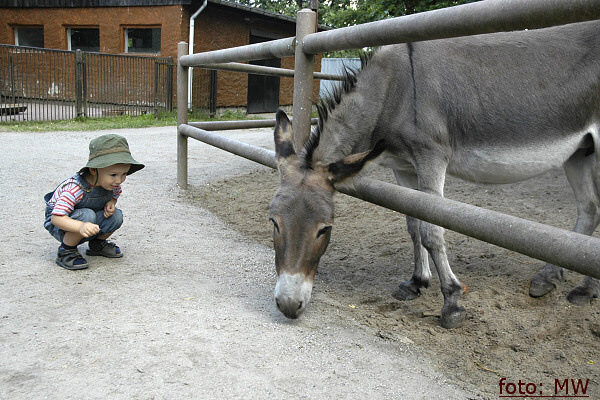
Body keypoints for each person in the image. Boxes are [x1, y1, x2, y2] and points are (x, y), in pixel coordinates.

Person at [43, 134, 144, 270]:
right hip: (61, 225)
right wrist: (80, 226)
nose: (119, 180)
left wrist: (112, 202)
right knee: (87, 215)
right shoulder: (75, 188)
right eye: (113, 175)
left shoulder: (112, 184)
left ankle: (97, 244)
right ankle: (66, 250)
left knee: (116, 216)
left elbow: (115, 194)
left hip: (88, 223)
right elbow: (56, 218)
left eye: (124, 174)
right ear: (93, 170)